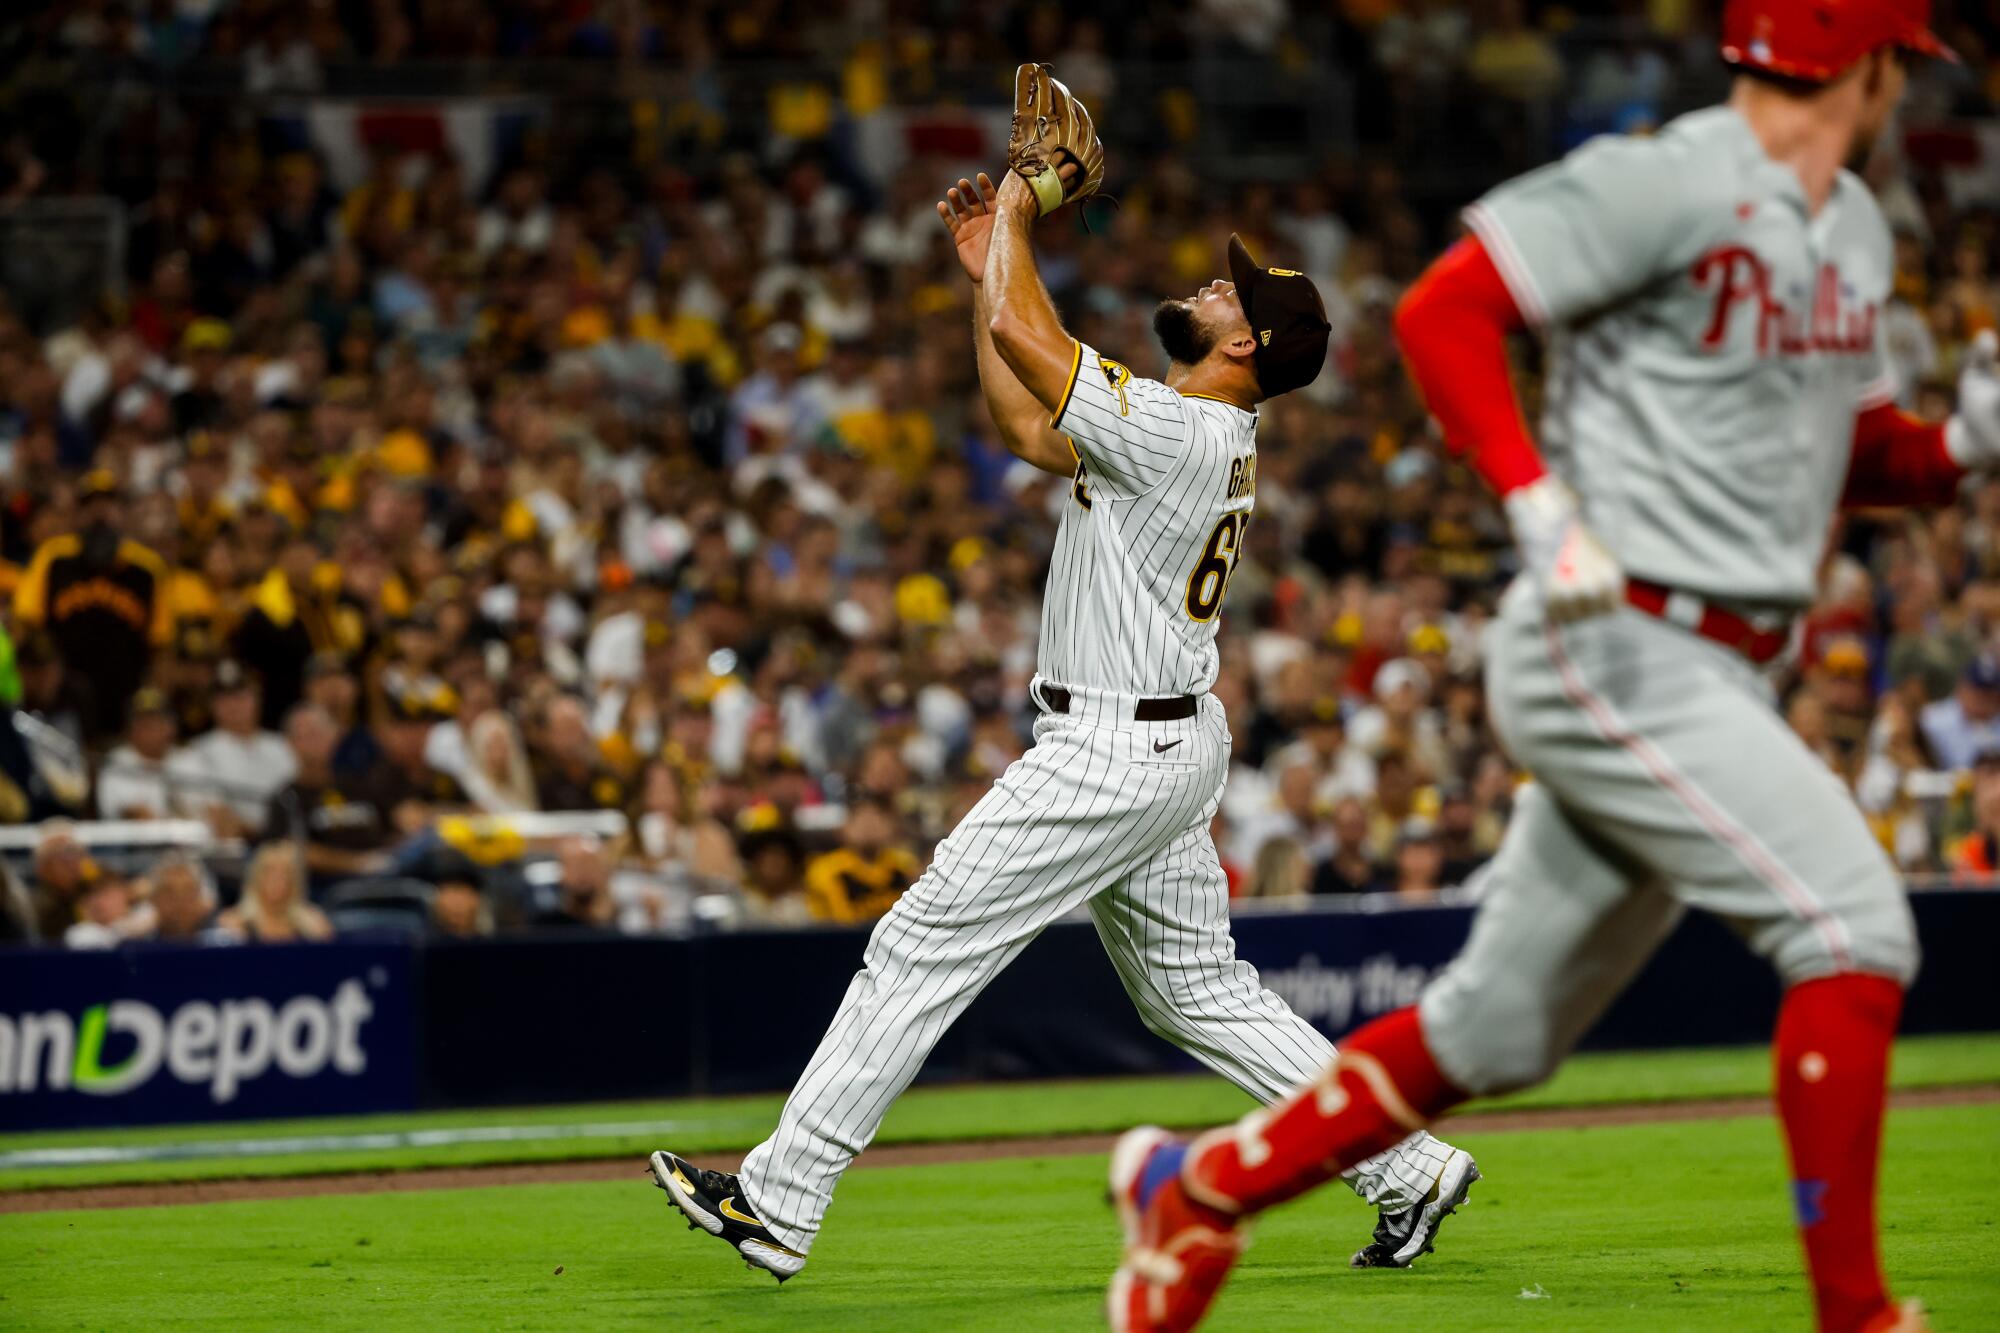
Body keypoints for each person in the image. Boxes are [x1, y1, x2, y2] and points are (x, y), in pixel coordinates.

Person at [1107, 7, 1964, 1330]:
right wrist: (1533, 499)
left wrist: (1963, 441)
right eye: (1903, 57)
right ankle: (1855, 1312)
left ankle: (1197, 1190)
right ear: (1863, 61)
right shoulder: (1664, 177)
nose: (1910, 85)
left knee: (1498, 1030)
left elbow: (1851, 453)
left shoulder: (1848, 228)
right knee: (1852, 928)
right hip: (1616, 639)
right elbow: (1449, 309)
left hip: (1720, 666)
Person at [648, 144, 1474, 1284]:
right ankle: (1405, 1165)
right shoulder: (1184, 427)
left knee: (921, 943)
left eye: (1232, 291)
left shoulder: (1182, 430)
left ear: (1244, 346)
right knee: (1197, 991)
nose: (1209, 286)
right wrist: (991, 266)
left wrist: (1024, 225)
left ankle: (779, 1198)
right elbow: (1025, 426)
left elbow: (1034, 348)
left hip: (1113, 745)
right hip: (1164, 735)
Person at [167, 660, 296, 836]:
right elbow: (217, 818)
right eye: (223, 698)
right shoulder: (194, 753)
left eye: (240, 696)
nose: (233, 705)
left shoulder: (284, 746)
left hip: (291, 842)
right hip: (237, 848)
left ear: (257, 698)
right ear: (211, 705)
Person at [217, 842, 333, 942]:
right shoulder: (233, 923)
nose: (277, 879)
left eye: (285, 873)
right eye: (270, 871)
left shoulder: (315, 923)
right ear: (256, 876)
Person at [95, 687, 178, 819]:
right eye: (142, 723)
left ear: (171, 727)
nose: (150, 730)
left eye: (156, 722)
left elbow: (213, 809)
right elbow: (130, 814)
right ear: (130, 729)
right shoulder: (117, 762)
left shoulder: (188, 759)